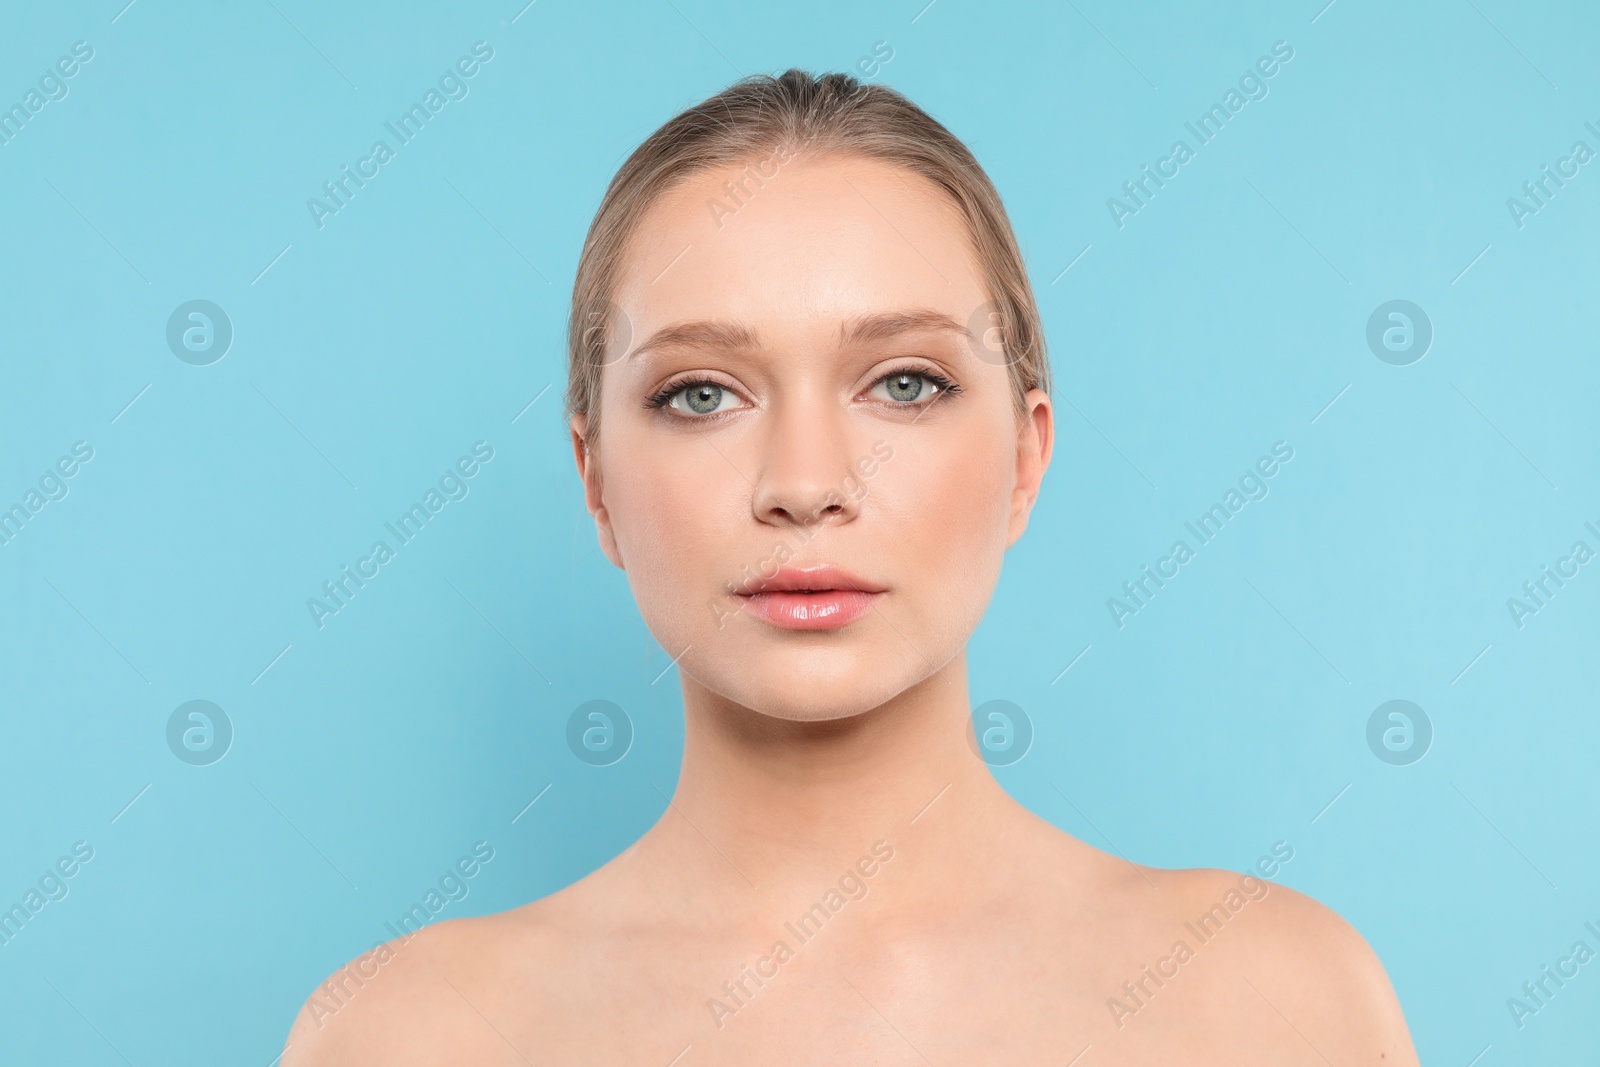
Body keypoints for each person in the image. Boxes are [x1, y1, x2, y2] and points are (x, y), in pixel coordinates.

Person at [284, 68, 1418, 1065]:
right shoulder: (399, 1034)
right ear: (595, 482)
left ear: (1025, 455)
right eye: (701, 393)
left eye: (905, 382)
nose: (806, 481)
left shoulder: (1276, 1005)